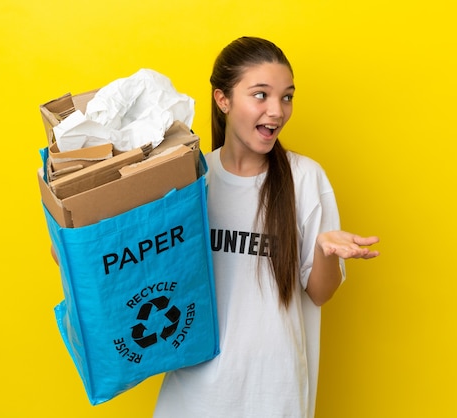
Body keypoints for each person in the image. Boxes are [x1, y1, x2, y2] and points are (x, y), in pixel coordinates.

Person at [153, 36, 379, 418]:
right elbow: (149, 277)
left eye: (287, 97)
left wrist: (324, 250)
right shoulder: (192, 183)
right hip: (192, 398)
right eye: (261, 95)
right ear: (222, 100)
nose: (277, 110)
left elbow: (321, 293)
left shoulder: (305, 178)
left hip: (275, 397)